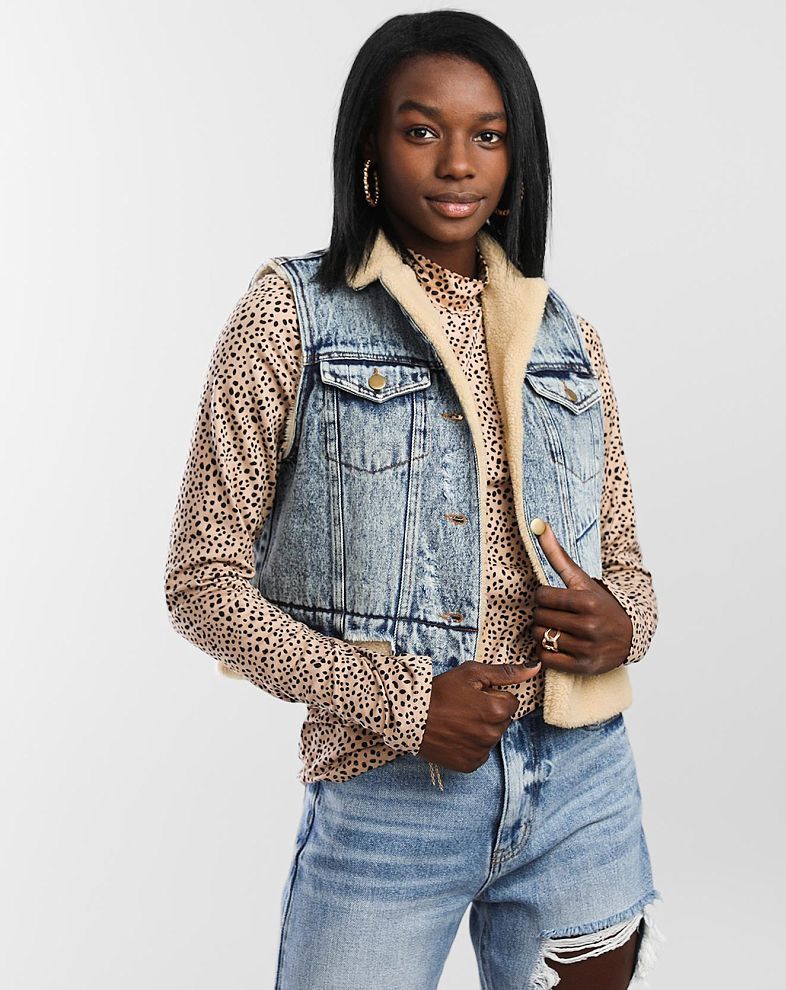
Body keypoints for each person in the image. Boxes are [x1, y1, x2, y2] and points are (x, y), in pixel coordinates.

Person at [164, 10, 665, 989]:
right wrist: (399, 701)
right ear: (369, 145)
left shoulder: (569, 337)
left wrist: (625, 625)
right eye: (421, 129)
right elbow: (200, 584)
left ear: (518, 159)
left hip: (584, 786)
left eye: (488, 135)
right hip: (390, 796)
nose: (456, 164)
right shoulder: (290, 314)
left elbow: (628, 568)